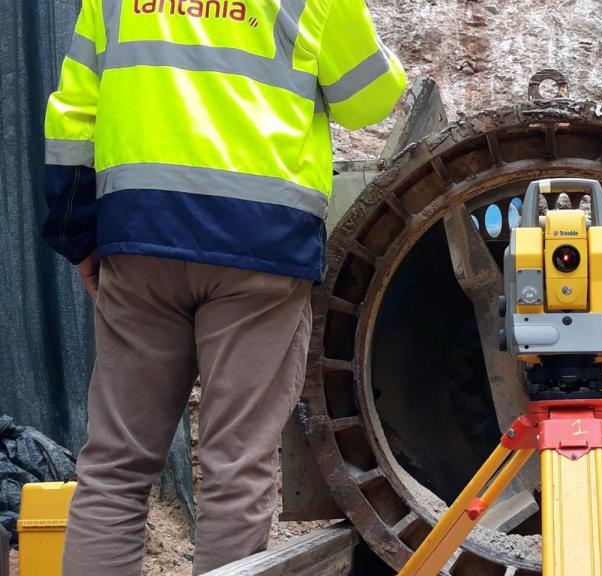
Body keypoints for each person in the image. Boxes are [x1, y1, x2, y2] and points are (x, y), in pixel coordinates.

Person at [41, 0, 406, 573]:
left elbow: (71, 117)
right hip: (261, 243)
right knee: (236, 467)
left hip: (141, 234)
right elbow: (370, 97)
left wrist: (77, 234)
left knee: (115, 465)